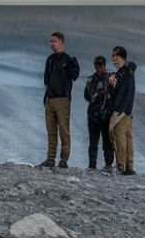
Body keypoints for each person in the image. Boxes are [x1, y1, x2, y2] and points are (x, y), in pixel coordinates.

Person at [40, 31, 80, 169]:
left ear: (62, 42)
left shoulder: (68, 60)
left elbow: (75, 76)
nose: (52, 44)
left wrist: (75, 65)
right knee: (51, 131)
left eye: (54, 41)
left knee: (64, 130)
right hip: (50, 99)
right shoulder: (50, 59)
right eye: (51, 41)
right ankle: (50, 159)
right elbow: (46, 80)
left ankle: (63, 161)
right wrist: (46, 98)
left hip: (63, 99)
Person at [108, 46, 138, 176]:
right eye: (113, 57)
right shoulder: (125, 72)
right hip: (126, 110)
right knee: (127, 136)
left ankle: (121, 165)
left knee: (117, 134)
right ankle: (128, 167)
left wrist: (120, 110)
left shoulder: (126, 73)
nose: (114, 60)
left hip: (122, 110)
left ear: (122, 57)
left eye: (116, 57)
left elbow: (126, 93)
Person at [83, 55, 115, 173]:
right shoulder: (91, 79)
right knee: (93, 142)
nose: (99, 67)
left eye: (101, 64)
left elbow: (115, 95)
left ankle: (108, 165)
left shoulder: (111, 78)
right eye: (97, 64)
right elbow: (86, 96)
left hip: (107, 116)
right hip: (93, 116)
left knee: (107, 142)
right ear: (95, 65)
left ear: (105, 65)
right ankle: (92, 165)